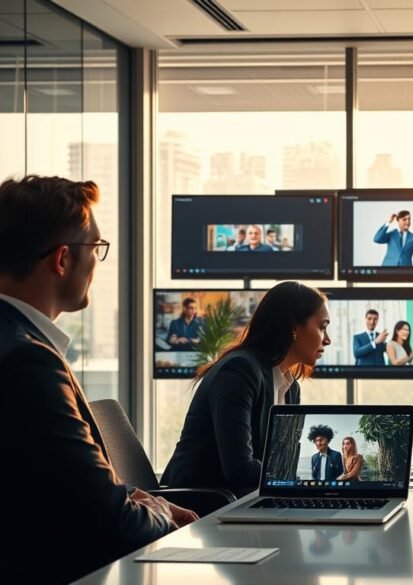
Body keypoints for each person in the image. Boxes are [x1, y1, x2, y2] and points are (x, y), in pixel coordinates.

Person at [0, 175, 197, 584]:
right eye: (96, 248)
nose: (97, 261)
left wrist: (128, 496)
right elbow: (111, 526)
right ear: (62, 260)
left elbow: (46, 483)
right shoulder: (28, 362)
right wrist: (154, 509)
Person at [162, 281, 331, 496]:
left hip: (245, 499)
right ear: (294, 328)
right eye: (322, 326)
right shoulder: (239, 371)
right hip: (202, 504)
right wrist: (309, 477)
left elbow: (282, 463)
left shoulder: (290, 388)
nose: (327, 339)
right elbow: (239, 469)